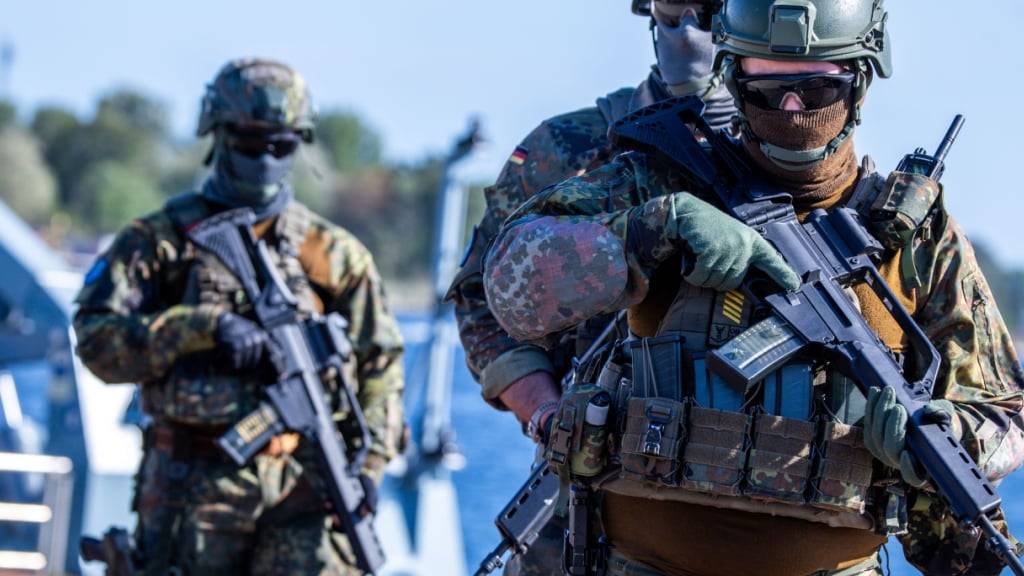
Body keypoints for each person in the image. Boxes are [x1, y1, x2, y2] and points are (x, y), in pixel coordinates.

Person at [482, 1, 1024, 575]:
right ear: (733, 79)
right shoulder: (659, 181)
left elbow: (1005, 417)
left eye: (816, 90)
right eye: (767, 89)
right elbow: (511, 286)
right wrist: (654, 229)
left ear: (860, 84)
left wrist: (948, 432)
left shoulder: (915, 234)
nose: (792, 109)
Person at [73, 58, 404, 575]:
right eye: (251, 142)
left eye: (283, 145)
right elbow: (97, 343)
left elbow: (380, 363)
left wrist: (372, 464)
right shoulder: (161, 241)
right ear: (219, 134)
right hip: (191, 486)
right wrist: (199, 329)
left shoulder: (333, 254)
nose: (266, 159)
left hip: (306, 485)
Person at [449, 3, 734, 573]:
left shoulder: (799, 154)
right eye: (674, 10)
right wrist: (546, 413)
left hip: (742, 512)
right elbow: (482, 298)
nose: (689, 31)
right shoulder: (573, 146)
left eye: (710, 11)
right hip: (587, 507)